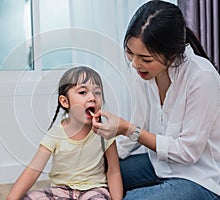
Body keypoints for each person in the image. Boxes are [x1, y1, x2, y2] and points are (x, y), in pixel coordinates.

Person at [91, 1, 220, 200]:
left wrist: (126, 128)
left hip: (200, 177)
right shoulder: (144, 74)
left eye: (145, 58)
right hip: (160, 164)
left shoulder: (202, 78)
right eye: (130, 53)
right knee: (98, 174)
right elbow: (139, 124)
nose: (135, 64)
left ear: (171, 54)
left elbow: (187, 153)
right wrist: (108, 155)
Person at [6, 66, 123, 200]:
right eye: (83, 92)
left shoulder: (105, 132)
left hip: (94, 189)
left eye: (97, 92)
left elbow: (114, 172)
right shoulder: (55, 134)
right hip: (60, 191)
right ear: (65, 101)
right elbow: (33, 170)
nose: (92, 98)